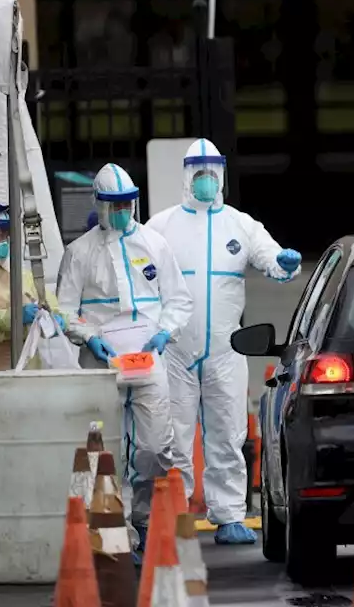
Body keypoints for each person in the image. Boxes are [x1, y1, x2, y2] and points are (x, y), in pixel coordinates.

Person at [146, 139, 301, 545]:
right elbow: (135, 265)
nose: (205, 181)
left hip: (225, 349)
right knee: (173, 436)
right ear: (186, 176)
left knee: (229, 433)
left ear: (222, 175)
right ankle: (174, 513)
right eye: (198, 173)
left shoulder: (240, 224)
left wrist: (284, 262)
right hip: (176, 349)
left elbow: (270, 257)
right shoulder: (161, 227)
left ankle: (230, 514)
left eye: (211, 173)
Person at [55, 163, 194, 561]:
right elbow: (65, 310)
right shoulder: (79, 253)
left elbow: (178, 299)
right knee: (104, 448)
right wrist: (89, 338)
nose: (121, 211)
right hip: (103, 362)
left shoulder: (154, 244)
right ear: (99, 204)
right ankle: (113, 533)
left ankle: (145, 519)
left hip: (148, 357)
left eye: (126, 204)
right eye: (113, 205)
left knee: (153, 446)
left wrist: (165, 331)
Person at [0, 198, 62, 372]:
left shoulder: (17, 272)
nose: (3, 240)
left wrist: (58, 319)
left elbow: (47, 300)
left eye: (5, 233)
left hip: (30, 369)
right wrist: (13, 318)